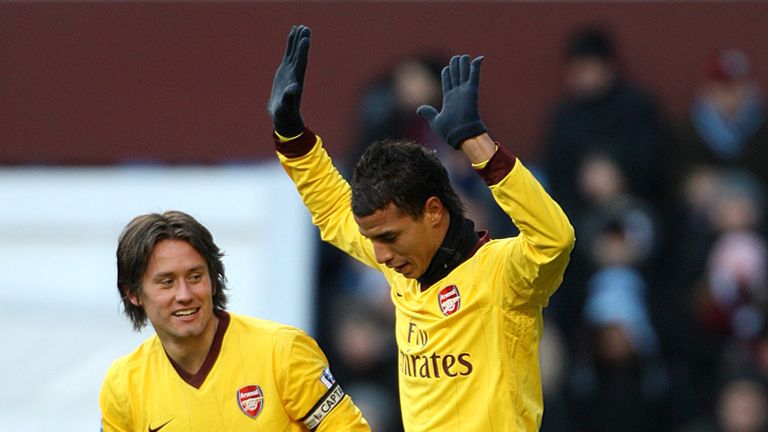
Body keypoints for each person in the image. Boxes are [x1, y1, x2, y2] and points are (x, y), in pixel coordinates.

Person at [268, 25, 575, 431]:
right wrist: (291, 136)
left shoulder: (504, 274)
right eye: (374, 239)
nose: (379, 255)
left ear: (433, 212)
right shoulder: (404, 268)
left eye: (389, 238)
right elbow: (333, 210)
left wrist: (478, 145)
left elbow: (555, 239)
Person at [99, 210, 370, 431]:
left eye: (195, 277)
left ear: (214, 281)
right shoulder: (124, 384)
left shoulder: (282, 351)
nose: (184, 295)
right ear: (133, 294)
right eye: (167, 282)